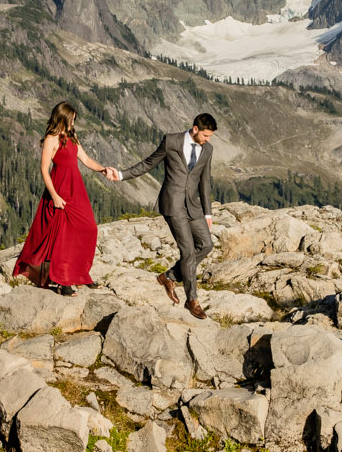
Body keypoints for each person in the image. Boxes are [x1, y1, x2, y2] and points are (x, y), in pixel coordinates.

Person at [13, 101, 120, 297]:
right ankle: (64, 281)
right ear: (62, 118)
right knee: (64, 235)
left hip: (76, 188)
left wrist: (102, 169)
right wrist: (54, 196)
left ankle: (80, 274)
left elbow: (86, 160)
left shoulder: (72, 136)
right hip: (60, 188)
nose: (73, 123)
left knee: (89, 228)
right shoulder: (51, 139)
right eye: (71, 119)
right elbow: (44, 170)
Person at [118, 112, 217, 319]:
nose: (208, 140)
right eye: (206, 135)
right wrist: (120, 175)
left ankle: (169, 276)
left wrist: (207, 212)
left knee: (206, 245)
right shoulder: (171, 141)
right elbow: (147, 163)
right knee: (188, 252)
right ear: (195, 129)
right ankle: (192, 301)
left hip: (194, 207)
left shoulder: (208, 149)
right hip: (173, 205)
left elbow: (204, 182)